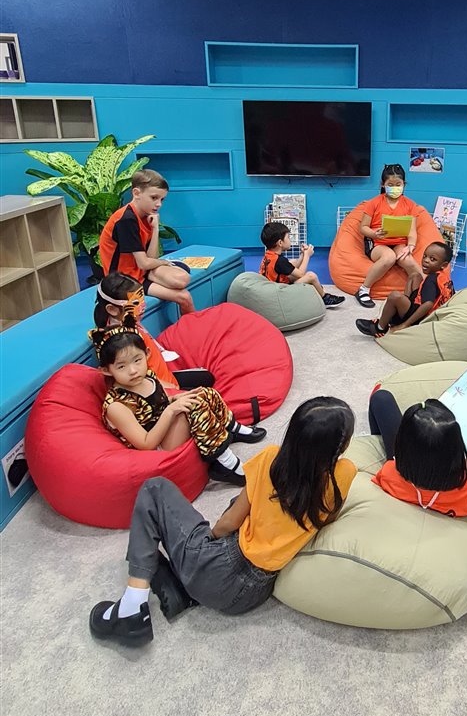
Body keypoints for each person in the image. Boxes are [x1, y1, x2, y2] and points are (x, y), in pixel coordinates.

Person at [88, 396, 356, 648]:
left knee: (155, 489)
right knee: (237, 507)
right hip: (251, 595)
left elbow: (228, 523)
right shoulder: (344, 474)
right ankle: (183, 590)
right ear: (340, 448)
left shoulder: (270, 460)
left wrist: (209, 540)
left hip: (219, 566)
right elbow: (326, 511)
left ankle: (132, 608)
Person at [91, 323, 265, 486]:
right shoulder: (117, 405)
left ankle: (232, 428)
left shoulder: (147, 377)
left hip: (167, 428)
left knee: (204, 392)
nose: (133, 370)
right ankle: (226, 465)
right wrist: (171, 410)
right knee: (195, 406)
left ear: (147, 354)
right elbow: (145, 443)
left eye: (137, 360)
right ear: (106, 370)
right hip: (157, 446)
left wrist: (177, 400)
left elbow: (162, 400)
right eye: (121, 367)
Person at [367, 393, 467, 516]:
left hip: (406, 476)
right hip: (446, 481)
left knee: (381, 397)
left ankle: (379, 439)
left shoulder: (388, 473)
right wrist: (466, 462)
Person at [98, 168, 194, 314]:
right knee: (184, 296)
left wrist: (155, 229)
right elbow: (144, 263)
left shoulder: (147, 216)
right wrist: (163, 263)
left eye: (162, 199)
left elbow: (151, 258)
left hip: (141, 272)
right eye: (154, 198)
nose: (159, 204)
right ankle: (193, 327)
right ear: (136, 193)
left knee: (182, 279)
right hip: (124, 282)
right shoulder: (126, 220)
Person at [355, 163, 423, 308]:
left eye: (398, 184)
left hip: (399, 242)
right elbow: (363, 228)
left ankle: (425, 290)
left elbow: (412, 231)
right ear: (383, 184)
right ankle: (363, 289)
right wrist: (374, 233)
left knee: (408, 260)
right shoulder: (373, 203)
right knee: (389, 257)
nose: (395, 188)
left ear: (404, 184)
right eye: (390, 184)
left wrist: (411, 246)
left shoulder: (410, 205)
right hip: (377, 243)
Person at [356, 240, 454, 338]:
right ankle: (398, 310)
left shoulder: (431, 280)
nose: (426, 260)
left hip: (420, 317)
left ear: (444, 265)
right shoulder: (445, 278)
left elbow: (428, 304)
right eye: (425, 256)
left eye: (432, 259)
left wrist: (406, 324)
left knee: (395, 296)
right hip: (431, 310)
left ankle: (380, 328)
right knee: (415, 276)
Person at [259, 222, 345, 307]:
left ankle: (316, 288)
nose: (290, 240)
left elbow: (288, 268)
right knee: (311, 276)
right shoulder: (280, 261)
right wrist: (307, 255)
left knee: (292, 262)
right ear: (280, 243)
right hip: (280, 293)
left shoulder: (270, 255)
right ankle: (324, 298)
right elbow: (301, 274)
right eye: (288, 237)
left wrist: (302, 254)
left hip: (273, 287)